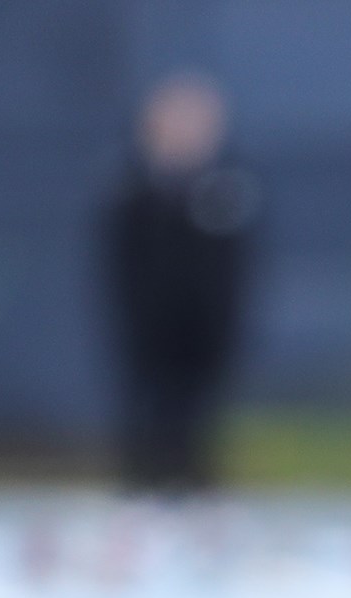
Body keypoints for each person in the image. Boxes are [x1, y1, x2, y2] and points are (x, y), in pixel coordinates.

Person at [101, 72, 260, 495]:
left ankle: (196, 482)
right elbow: (119, 261)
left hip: (207, 326)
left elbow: (238, 263)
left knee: (200, 410)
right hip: (149, 324)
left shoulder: (228, 188)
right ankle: (144, 482)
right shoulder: (133, 191)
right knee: (149, 407)